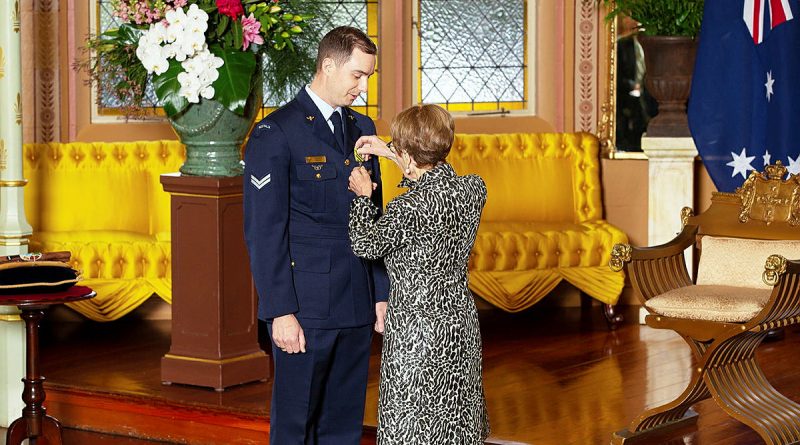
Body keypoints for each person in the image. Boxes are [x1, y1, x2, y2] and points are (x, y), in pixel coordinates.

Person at [243, 26, 389, 445]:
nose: (362, 87)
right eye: (357, 76)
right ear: (328, 65)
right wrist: (279, 311)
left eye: (368, 78)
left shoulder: (363, 126)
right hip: (305, 307)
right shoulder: (278, 131)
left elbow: (372, 218)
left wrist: (380, 293)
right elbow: (264, 231)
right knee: (296, 424)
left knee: (343, 426)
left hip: (357, 301)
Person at [348, 104, 490, 444]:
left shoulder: (408, 208)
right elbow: (434, 174)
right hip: (460, 323)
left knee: (410, 425)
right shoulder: (474, 189)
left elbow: (365, 245)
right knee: (456, 423)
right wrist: (392, 152)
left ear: (409, 156)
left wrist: (363, 198)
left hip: (417, 330)